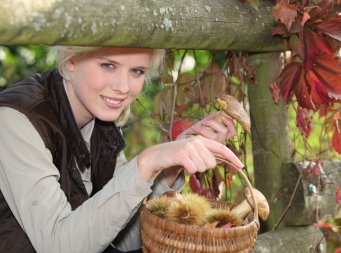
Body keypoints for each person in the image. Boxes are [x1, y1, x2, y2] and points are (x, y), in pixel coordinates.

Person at [0, 46, 243, 253]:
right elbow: (59, 246)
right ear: (71, 59)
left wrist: (171, 164)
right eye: (108, 65)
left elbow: (122, 238)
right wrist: (146, 162)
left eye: (137, 71)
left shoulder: (101, 123)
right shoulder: (15, 120)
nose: (123, 87)